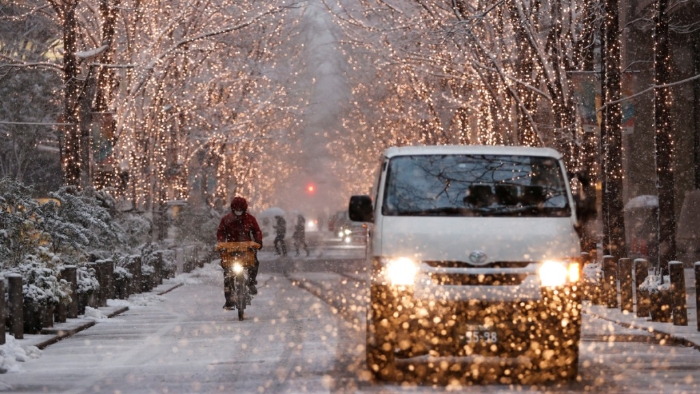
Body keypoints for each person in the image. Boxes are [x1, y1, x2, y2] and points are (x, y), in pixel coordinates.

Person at [217, 196, 263, 308]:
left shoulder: (250, 219)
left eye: (240, 209)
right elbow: (221, 232)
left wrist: (258, 241)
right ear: (233, 209)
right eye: (236, 209)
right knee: (227, 274)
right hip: (230, 250)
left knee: (254, 264)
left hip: (247, 249)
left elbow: (256, 230)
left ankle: (251, 282)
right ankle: (229, 299)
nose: (238, 211)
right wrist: (221, 243)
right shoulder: (226, 219)